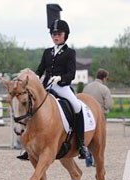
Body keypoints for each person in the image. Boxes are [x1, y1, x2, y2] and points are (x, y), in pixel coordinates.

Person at [17, 19, 89, 160]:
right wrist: (34, 77)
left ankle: (81, 145)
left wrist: (60, 78)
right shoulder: (47, 52)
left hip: (62, 87)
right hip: (45, 87)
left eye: (59, 34)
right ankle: (28, 146)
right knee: (31, 108)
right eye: (53, 34)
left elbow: (71, 74)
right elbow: (40, 69)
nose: (55, 36)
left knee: (77, 107)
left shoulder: (70, 53)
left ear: (65, 35)